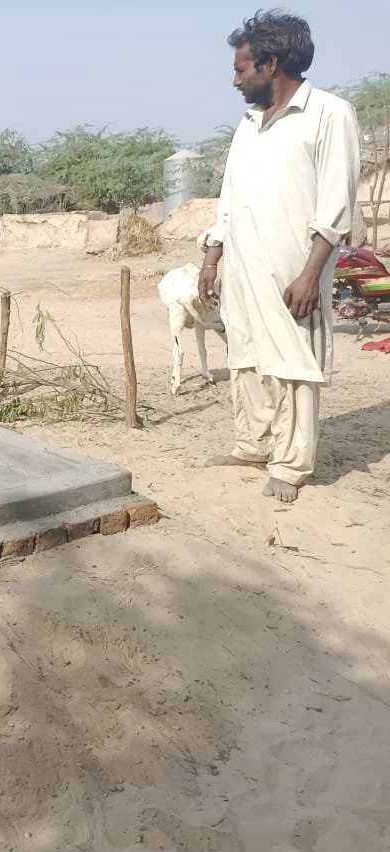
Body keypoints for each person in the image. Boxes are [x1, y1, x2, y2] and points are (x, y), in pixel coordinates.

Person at [199, 10, 361, 503]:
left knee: (294, 361)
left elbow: (337, 203)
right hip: (244, 265)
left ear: (271, 64)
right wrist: (212, 257)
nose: (235, 79)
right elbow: (230, 198)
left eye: (241, 68)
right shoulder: (249, 124)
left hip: (295, 268)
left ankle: (290, 465)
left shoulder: (330, 114)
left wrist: (312, 273)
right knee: (245, 353)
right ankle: (252, 444)